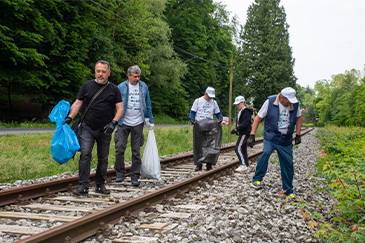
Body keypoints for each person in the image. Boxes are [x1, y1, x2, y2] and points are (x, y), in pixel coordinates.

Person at [63, 60, 124, 196]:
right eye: (98, 71)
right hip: (87, 127)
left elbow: (120, 109)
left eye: (103, 71)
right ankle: (83, 186)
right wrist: (70, 117)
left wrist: (114, 123)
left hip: (105, 129)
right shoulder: (86, 86)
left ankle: (100, 185)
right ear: (95, 71)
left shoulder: (114, 89)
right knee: (85, 155)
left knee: (103, 158)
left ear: (109, 73)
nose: (100, 74)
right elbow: (78, 103)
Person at [248, 87, 302, 199]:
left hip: (285, 139)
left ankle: (288, 190)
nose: (289, 103)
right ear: (281, 97)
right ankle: (257, 179)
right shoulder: (270, 101)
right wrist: (252, 134)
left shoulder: (295, 104)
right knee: (266, 152)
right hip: (271, 136)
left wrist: (298, 134)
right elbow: (258, 118)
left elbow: (298, 117)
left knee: (288, 163)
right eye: (288, 100)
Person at [114, 65, 154, 186]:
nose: (137, 79)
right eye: (135, 76)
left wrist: (150, 120)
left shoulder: (143, 87)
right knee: (119, 148)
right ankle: (120, 173)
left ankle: (135, 175)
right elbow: (114, 104)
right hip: (123, 122)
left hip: (138, 122)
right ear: (128, 76)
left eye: (139, 76)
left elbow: (148, 104)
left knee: (136, 150)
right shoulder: (121, 87)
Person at [189, 87, 223, 171]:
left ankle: (209, 164)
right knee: (199, 145)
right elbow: (192, 112)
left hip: (210, 126)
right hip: (199, 125)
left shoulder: (214, 103)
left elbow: (218, 113)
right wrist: (192, 119)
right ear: (205, 93)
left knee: (210, 145)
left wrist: (220, 118)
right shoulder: (198, 101)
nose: (210, 98)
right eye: (209, 96)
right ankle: (198, 164)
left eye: (211, 96)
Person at [231, 96, 253, 173]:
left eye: (239, 103)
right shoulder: (241, 111)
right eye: (237, 104)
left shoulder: (246, 111)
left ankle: (243, 165)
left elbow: (245, 123)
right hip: (242, 132)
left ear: (243, 102)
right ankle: (246, 165)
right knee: (243, 149)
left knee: (238, 148)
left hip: (244, 132)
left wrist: (237, 129)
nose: (237, 105)